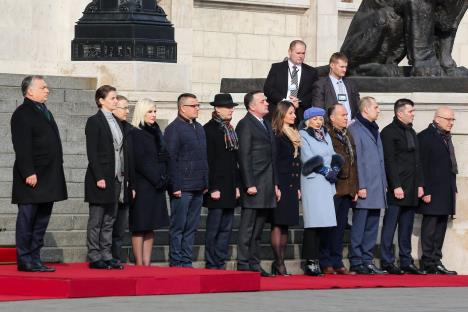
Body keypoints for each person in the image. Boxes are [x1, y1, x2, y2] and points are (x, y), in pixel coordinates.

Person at [11, 75, 68, 272]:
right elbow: (22, 146)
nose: (47, 90)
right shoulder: (22, 113)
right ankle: (25, 259)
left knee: (41, 220)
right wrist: (28, 171)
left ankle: (35, 258)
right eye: (43, 87)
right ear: (30, 91)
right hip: (32, 177)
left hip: (48, 176)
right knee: (27, 219)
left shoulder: (44, 111)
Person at [236, 90, 280, 277]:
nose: (267, 103)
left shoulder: (265, 123)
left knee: (258, 229)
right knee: (247, 228)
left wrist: (276, 184)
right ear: (251, 106)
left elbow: (273, 157)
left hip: (267, 183)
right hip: (254, 184)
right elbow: (244, 156)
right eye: (263, 101)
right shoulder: (245, 124)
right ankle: (243, 263)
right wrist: (249, 183)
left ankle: (254, 263)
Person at [380, 99, 426, 275]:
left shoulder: (412, 132)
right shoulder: (389, 132)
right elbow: (389, 161)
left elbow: (417, 161)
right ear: (399, 113)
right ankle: (387, 261)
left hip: (412, 187)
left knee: (406, 227)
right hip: (397, 188)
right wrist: (396, 186)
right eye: (410, 111)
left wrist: (420, 184)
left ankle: (406, 260)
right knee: (390, 225)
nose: (413, 114)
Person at [165, 93, 208, 267]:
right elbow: (170, 159)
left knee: (191, 227)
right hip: (182, 187)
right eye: (194, 105)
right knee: (178, 227)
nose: (197, 108)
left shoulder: (199, 127)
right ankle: (176, 261)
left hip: (198, 186)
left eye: (198, 105)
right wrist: (174, 185)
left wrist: (206, 182)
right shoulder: (174, 129)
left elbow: (204, 157)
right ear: (182, 108)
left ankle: (186, 260)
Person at [84, 85, 126, 270]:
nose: (116, 101)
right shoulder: (94, 121)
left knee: (110, 218)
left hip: (116, 176)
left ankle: (106, 254)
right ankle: (94, 255)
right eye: (112, 98)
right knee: (97, 219)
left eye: (116, 98)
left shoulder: (116, 121)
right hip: (100, 178)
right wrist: (99, 176)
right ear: (101, 101)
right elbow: (92, 152)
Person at [347, 97, 387, 274]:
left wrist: (384, 183)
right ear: (365, 110)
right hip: (364, 186)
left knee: (372, 225)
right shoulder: (355, 129)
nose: (379, 110)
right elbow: (356, 160)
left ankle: (367, 259)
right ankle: (356, 260)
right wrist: (360, 185)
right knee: (360, 224)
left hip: (377, 185)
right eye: (376, 107)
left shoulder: (374, 129)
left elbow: (380, 159)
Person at [417, 106, 458, 275]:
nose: (451, 123)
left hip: (445, 189)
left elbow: (450, 164)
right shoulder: (425, 137)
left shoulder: (445, 137)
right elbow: (421, 165)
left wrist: (453, 188)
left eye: (453, 120)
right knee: (430, 226)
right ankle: (427, 261)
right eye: (449, 119)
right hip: (432, 190)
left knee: (441, 226)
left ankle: (436, 259)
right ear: (437, 119)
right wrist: (424, 189)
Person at [300, 107, 340, 276]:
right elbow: (307, 157)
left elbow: (332, 153)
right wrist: (324, 170)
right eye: (315, 119)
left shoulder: (325, 135)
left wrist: (335, 168)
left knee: (324, 224)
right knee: (313, 224)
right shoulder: (303, 134)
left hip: (327, 184)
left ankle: (319, 260)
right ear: (308, 120)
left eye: (321, 118)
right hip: (313, 181)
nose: (319, 121)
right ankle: (310, 262)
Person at [130, 98, 170, 266]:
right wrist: (157, 178)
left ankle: (147, 262)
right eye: (150, 111)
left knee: (151, 225)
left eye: (155, 111)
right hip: (143, 185)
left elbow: (163, 156)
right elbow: (140, 161)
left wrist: (164, 177)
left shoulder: (156, 131)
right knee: (140, 225)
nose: (153, 115)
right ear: (141, 112)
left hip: (157, 185)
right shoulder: (135, 132)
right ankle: (139, 262)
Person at [320, 103, 358, 275]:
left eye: (346, 115)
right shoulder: (327, 134)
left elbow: (353, 163)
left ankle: (337, 260)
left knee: (341, 227)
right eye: (342, 115)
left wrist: (355, 188)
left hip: (347, 188)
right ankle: (325, 260)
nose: (346, 118)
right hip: (333, 187)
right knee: (328, 226)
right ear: (332, 117)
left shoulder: (347, 134)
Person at [203, 93, 240, 270]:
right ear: (217, 108)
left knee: (226, 228)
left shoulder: (230, 129)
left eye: (232, 106)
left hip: (230, 186)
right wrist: (213, 187)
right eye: (227, 106)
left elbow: (235, 162)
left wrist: (237, 186)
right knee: (214, 227)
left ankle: (220, 260)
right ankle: (211, 262)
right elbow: (209, 161)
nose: (231, 109)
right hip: (217, 187)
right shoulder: (209, 129)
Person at [270, 100, 301, 275]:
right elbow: (274, 161)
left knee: (286, 224)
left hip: (291, 184)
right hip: (281, 183)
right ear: (282, 114)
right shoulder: (277, 134)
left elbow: (297, 163)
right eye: (290, 113)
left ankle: (280, 262)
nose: (294, 116)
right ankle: (279, 263)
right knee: (277, 223)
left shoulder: (294, 133)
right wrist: (276, 185)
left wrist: (297, 186)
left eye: (294, 113)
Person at [264, 40, 319, 123]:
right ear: (290, 52)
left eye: (303, 53)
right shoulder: (277, 68)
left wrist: (299, 101)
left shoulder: (311, 72)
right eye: (298, 53)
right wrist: (284, 101)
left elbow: (314, 93)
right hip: (277, 112)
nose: (301, 56)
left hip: (299, 115)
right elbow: (268, 89)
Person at [111, 95, 135, 263]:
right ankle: (105, 256)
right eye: (124, 108)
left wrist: (132, 184)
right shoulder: (109, 127)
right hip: (112, 182)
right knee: (108, 224)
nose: (127, 111)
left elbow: (132, 160)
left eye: (128, 108)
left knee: (120, 226)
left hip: (126, 184)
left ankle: (116, 257)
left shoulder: (130, 129)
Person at [311, 52, 360, 120]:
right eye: (341, 67)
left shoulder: (351, 84)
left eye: (345, 67)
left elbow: (358, 107)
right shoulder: (321, 85)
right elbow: (319, 110)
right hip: (331, 127)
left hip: (351, 126)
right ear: (332, 65)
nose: (344, 70)